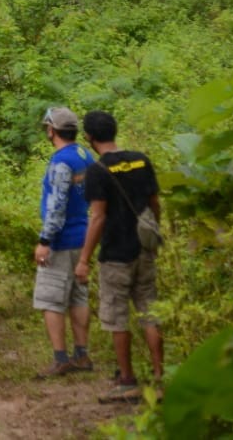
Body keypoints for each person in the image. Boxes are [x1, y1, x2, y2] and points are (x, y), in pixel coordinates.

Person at [74, 110, 164, 403]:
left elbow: (97, 218)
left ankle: (127, 381)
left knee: (117, 318)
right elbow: (154, 203)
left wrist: (84, 259)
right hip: (143, 249)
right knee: (150, 312)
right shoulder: (141, 159)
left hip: (115, 255)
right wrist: (154, 235)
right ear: (114, 130)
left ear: (89, 137)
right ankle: (160, 378)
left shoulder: (98, 171)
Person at [33, 107, 95, 379]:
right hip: (82, 235)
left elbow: (57, 205)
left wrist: (45, 240)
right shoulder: (84, 155)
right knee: (78, 296)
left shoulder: (61, 162)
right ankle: (82, 354)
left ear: (52, 130)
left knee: (51, 299)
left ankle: (61, 359)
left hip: (61, 240)